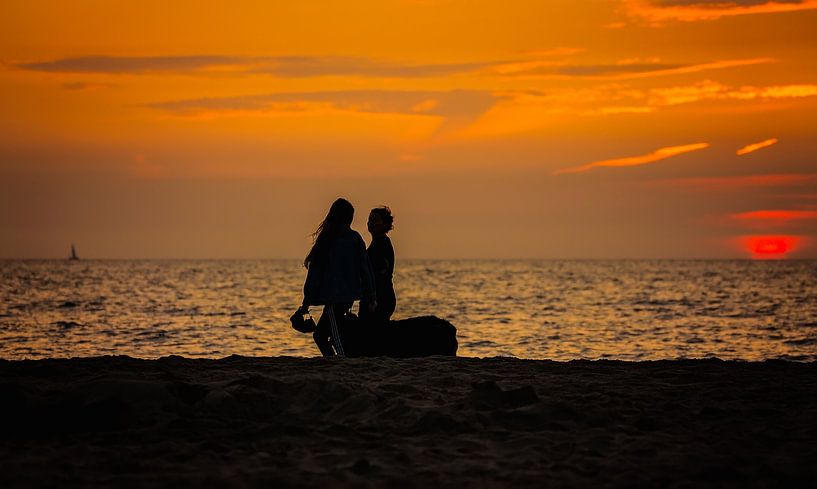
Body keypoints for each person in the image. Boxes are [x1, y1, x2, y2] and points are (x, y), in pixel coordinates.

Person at [299, 198, 376, 356]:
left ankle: (342, 361)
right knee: (321, 335)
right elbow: (365, 270)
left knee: (333, 335)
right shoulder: (354, 238)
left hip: (335, 298)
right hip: (346, 296)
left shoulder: (328, 240)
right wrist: (371, 295)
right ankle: (335, 361)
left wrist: (306, 302)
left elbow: (314, 275)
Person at [360, 206, 396, 327]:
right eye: (369, 219)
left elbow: (379, 272)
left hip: (380, 297)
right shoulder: (377, 242)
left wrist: (372, 298)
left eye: (375, 220)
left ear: (385, 224)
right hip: (377, 296)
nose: (370, 222)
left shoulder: (382, 243)